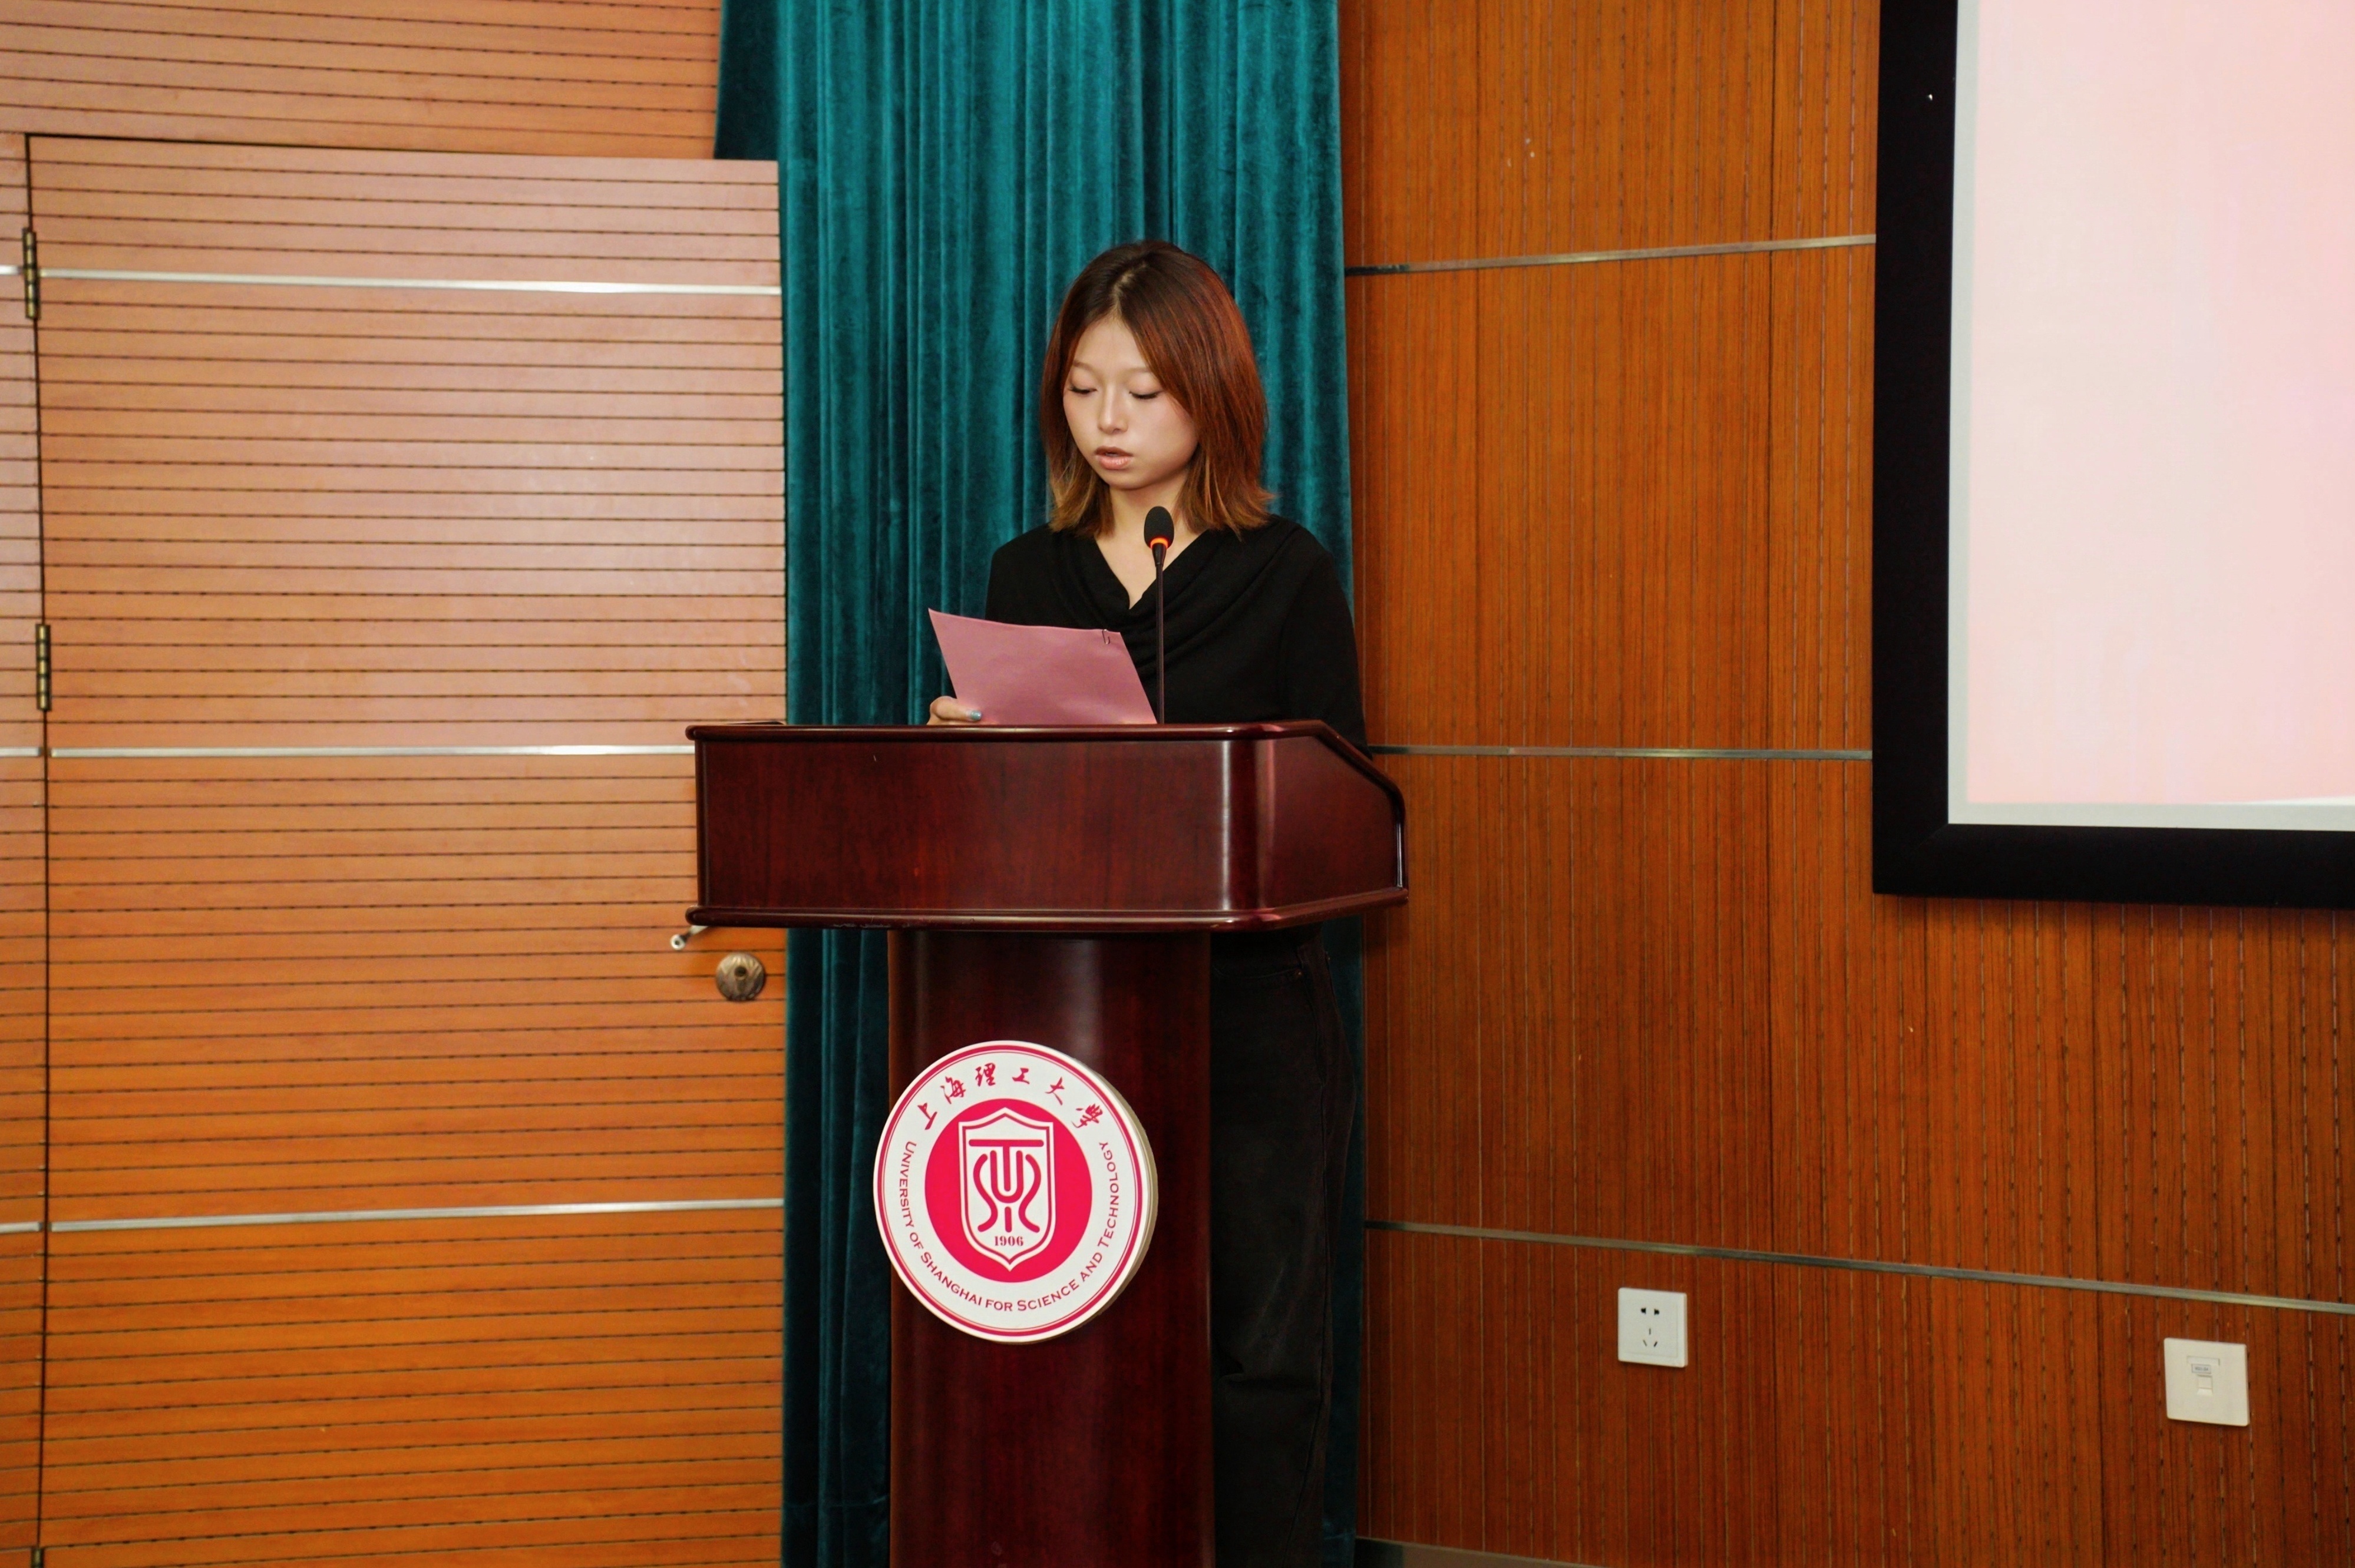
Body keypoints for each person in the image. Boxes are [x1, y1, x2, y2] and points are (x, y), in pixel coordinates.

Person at [929, 239, 1362, 1567]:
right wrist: (962, 761)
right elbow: (992, 841)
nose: (1106, 423)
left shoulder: (1283, 570)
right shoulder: (1027, 573)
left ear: (1209, 395)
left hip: (1246, 1018)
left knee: (1256, 1348)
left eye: (1142, 392)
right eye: (1080, 390)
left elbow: (1341, 810)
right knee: (1076, 1321)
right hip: (1070, 1018)